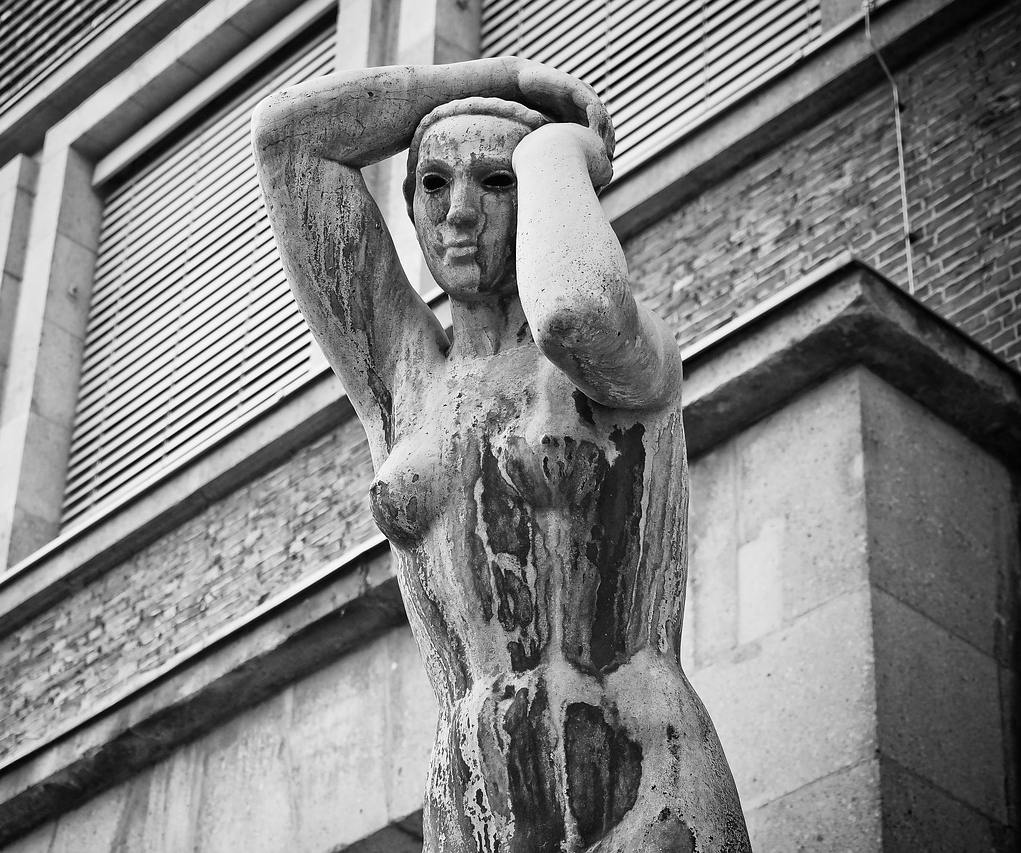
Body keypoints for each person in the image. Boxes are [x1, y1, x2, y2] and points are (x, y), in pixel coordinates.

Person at [253, 57, 749, 853]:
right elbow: (286, 139)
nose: (457, 213)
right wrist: (502, 78)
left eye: (494, 182)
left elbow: (574, 308)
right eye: (433, 184)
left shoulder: (624, 358)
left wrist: (558, 151)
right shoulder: (405, 375)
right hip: (473, 800)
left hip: (645, 783)